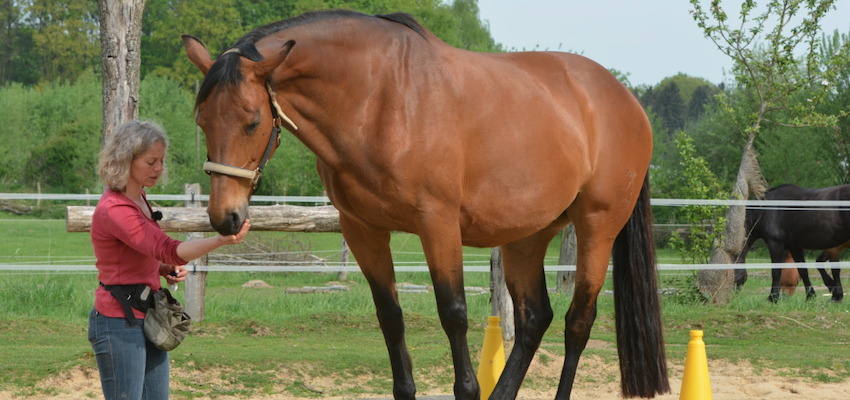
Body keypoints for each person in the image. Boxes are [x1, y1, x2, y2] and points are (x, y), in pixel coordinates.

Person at [88, 120, 250, 400]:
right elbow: (166, 248)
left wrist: (164, 270)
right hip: (119, 322)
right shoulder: (115, 209)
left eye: (161, 160)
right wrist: (220, 240)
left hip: (148, 315)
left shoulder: (139, 198)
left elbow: (146, 254)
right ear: (126, 159)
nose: (159, 169)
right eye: (151, 161)